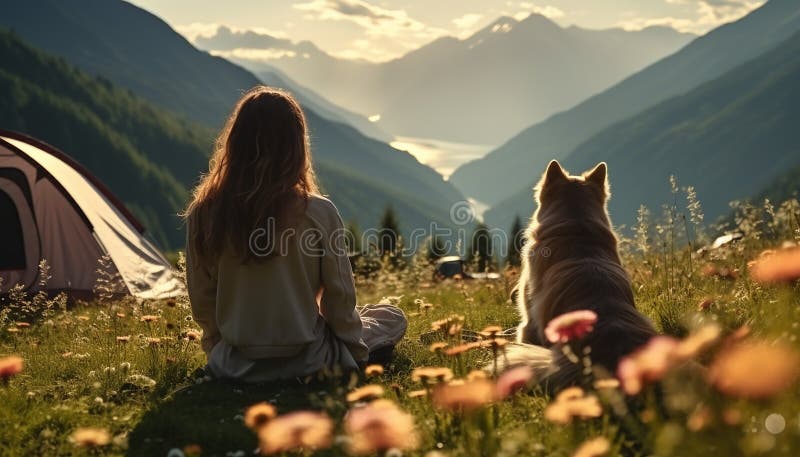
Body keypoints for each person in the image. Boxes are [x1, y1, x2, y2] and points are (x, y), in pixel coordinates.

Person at [183, 86, 407, 382]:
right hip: (311, 361)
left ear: (235, 144)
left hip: (234, 364)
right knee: (391, 316)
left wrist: (218, 351)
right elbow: (339, 298)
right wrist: (354, 352)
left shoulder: (205, 213)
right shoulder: (318, 212)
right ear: (296, 146)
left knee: (378, 316)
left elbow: (202, 299)